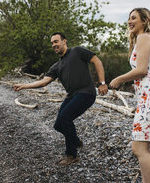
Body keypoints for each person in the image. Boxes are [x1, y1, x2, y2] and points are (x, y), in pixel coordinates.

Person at [14, 32, 108, 166]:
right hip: (72, 96)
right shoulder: (57, 66)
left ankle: (72, 155)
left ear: (64, 41)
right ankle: (75, 141)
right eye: (52, 43)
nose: (54, 45)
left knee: (65, 118)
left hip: (86, 93)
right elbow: (43, 82)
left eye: (56, 41)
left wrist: (102, 83)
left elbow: (96, 61)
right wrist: (24, 86)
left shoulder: (77, 51)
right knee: (58, 125)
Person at [110, 8, 150, 183]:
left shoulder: (144, 37)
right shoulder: (148, 39)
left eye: (133, 18)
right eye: (128, 18)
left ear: (145, 21)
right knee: (142, 147)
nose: (129, 21)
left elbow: (141, 70)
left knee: (139, 148)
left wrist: (119, 79)